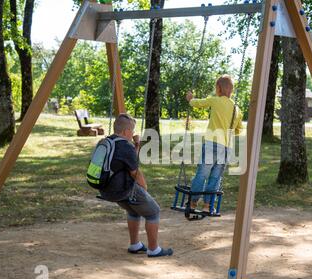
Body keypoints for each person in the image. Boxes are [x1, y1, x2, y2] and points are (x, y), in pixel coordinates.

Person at [100, 113, 173, 258]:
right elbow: (135, 173)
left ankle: (135, 245)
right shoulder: (124, 146)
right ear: (126, 131)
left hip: (107, 189)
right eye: (132, 131)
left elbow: (128, 161)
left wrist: (137, 146)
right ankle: (154, 249)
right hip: (123, 189)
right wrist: (144, 188)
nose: (132, 133)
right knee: (153, 211)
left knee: (134, 210)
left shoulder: (108, 142)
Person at [186, 75, 244, 214]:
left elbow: (199, 103)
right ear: (231, 90)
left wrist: (190, 99)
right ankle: (207, 206)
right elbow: (238, 129)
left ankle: (193, 203)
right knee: (215, 177)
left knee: (202, 174)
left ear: (218, 88)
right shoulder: (237, 109)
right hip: (226, 147)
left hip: (212, 143)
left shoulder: (215, 100)